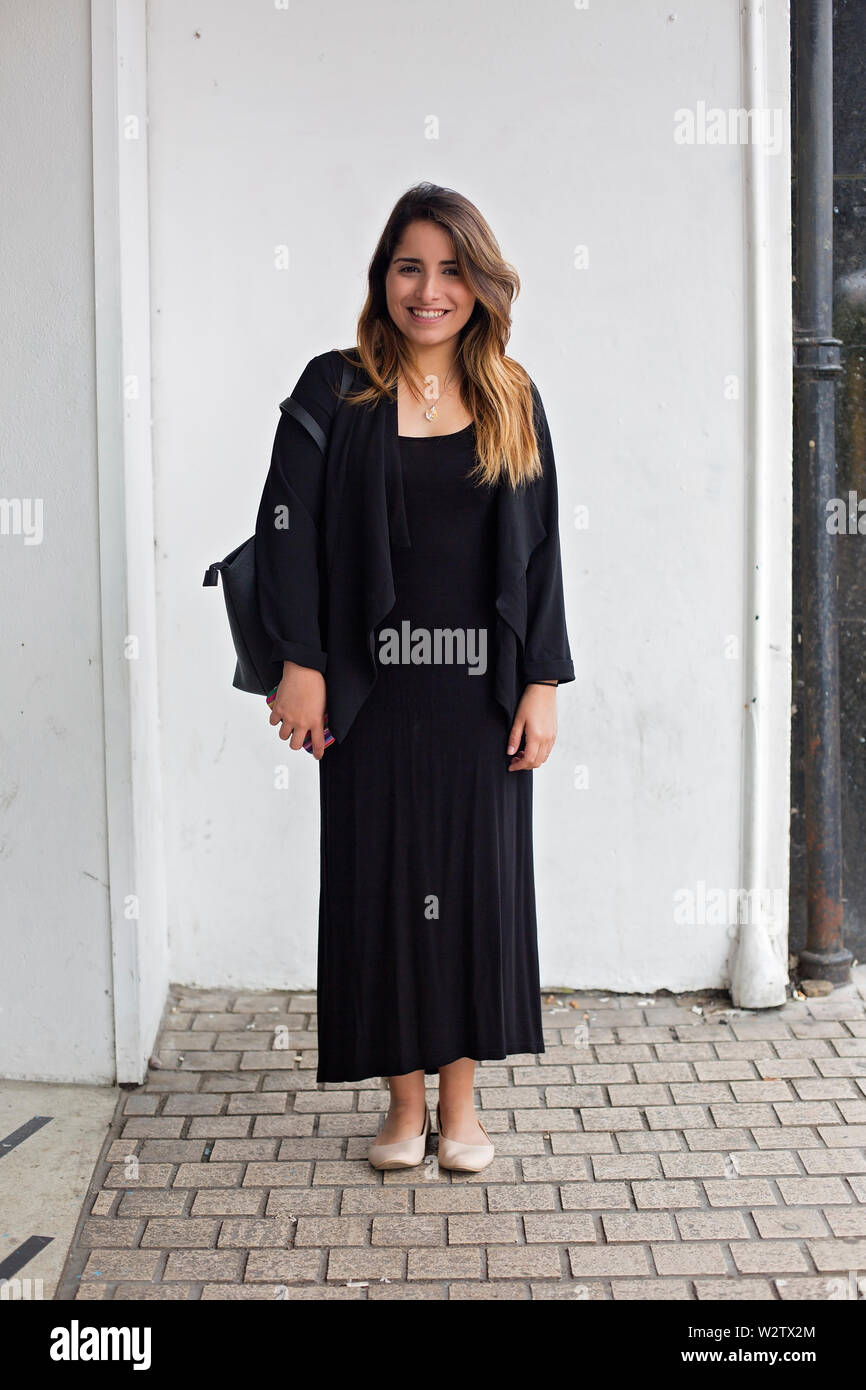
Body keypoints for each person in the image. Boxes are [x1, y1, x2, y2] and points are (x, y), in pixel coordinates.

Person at [254, 182, 574, 1173]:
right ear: (381, 277)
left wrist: (542, 684)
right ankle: (402, 1105)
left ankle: (463, 1104)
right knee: (379, 886)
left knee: (475, 890)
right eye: (408, 266)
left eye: (448, 268)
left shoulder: (510, 394)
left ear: (477, 284)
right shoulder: (329, 389)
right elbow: (284, 538)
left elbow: (542, 555)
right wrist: (297, 665)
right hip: (364, 689)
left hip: (479, 692)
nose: (427, 289)